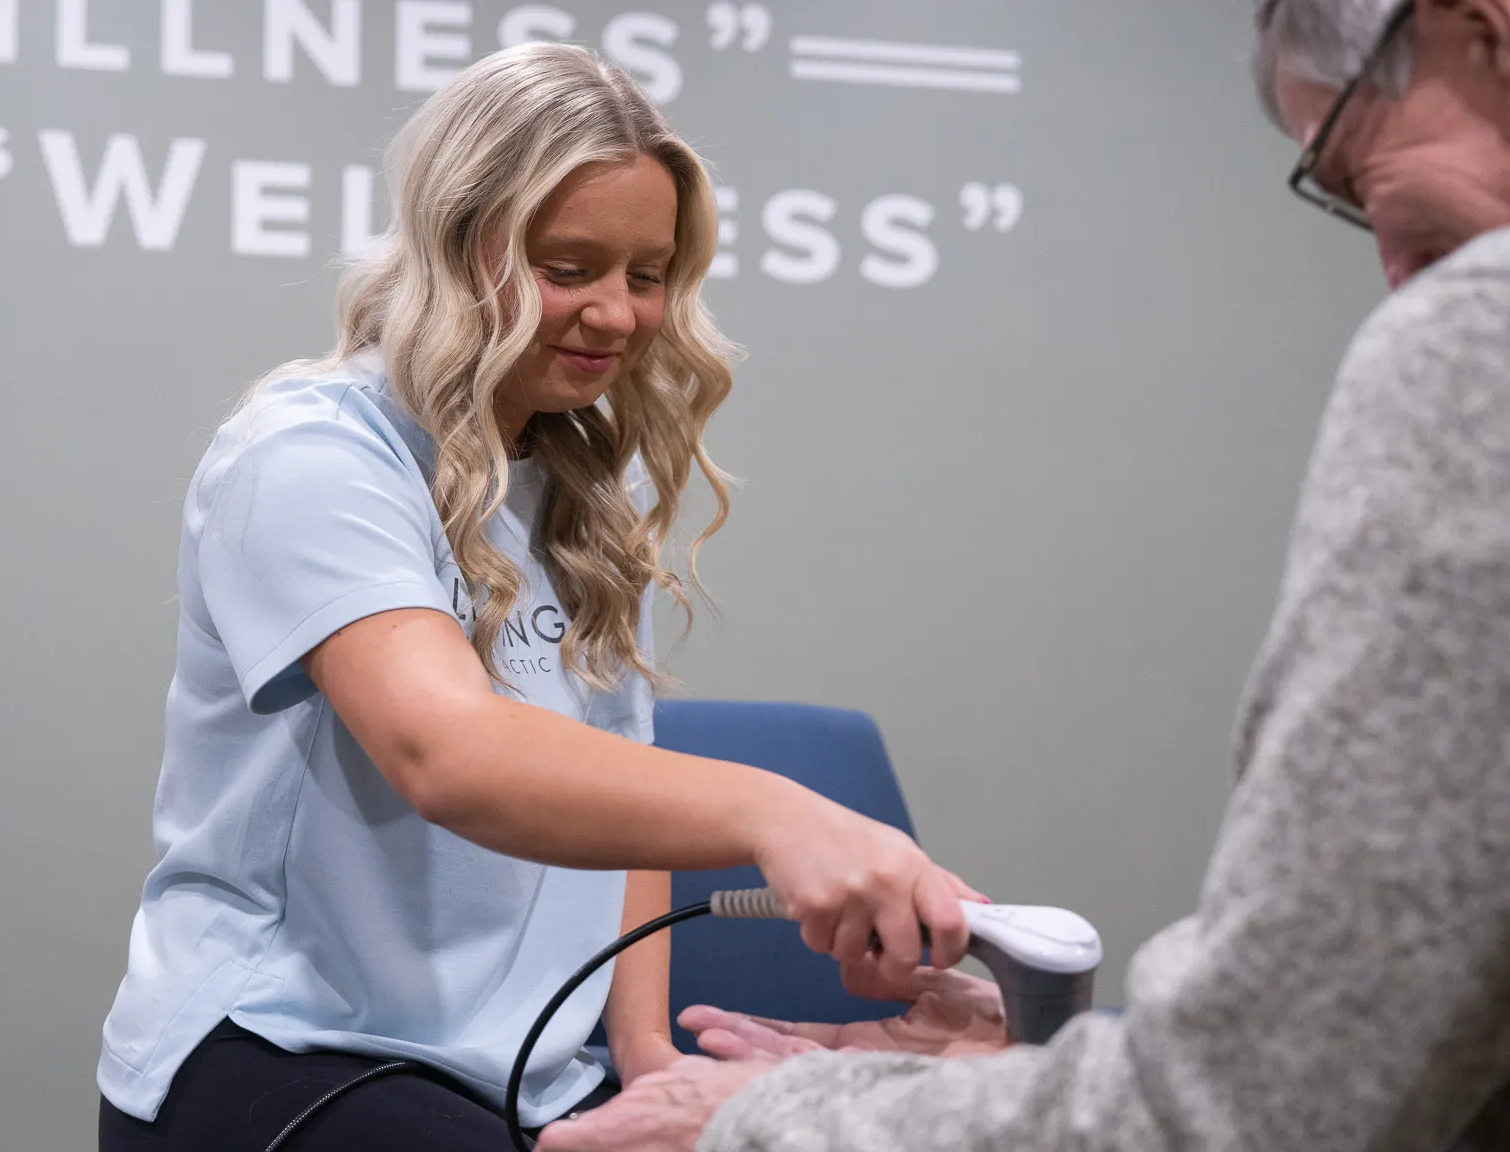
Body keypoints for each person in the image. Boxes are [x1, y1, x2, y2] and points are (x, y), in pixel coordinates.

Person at [534, 0, 1510, 1148]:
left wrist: (785, 1115)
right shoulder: (353, 450)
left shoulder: (1469, 343)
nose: (1394, 267)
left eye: (1353, 171)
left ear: (1478, 31)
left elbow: (1268, 1095)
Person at [94, 42, 986, 1152]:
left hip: (529, 1073)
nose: (615, 315)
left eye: (646, 275)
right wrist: (778, 814)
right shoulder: (312, 454)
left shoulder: (586, 485)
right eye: (569, 269)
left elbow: (620, 779)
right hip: (285, 1045)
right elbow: (449, 755)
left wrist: (644, 1053)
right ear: (455, 243)